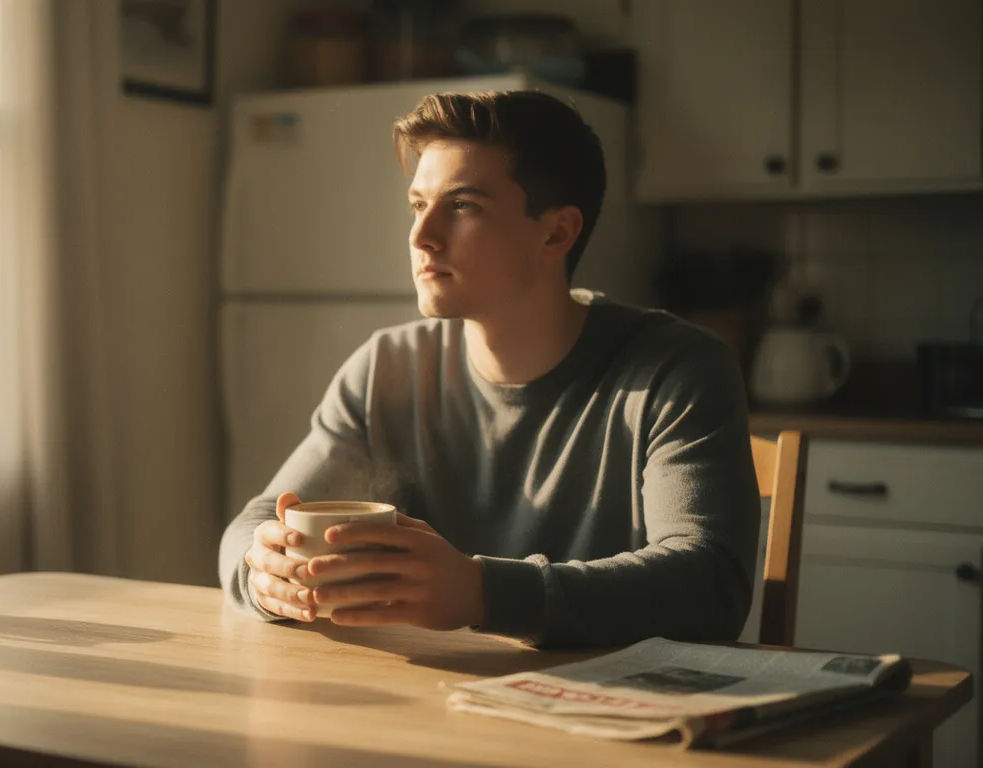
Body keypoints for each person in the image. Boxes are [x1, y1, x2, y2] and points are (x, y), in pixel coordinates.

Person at [218, 90, 760, 649]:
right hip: (428, 709)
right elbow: (253, 523)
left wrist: (483, 593)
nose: (420, 236)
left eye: (462, 206)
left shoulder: (677, 371)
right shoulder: (388, 368)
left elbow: (709, 584)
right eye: (417, 204)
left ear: (556, 233)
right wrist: (265, 577)